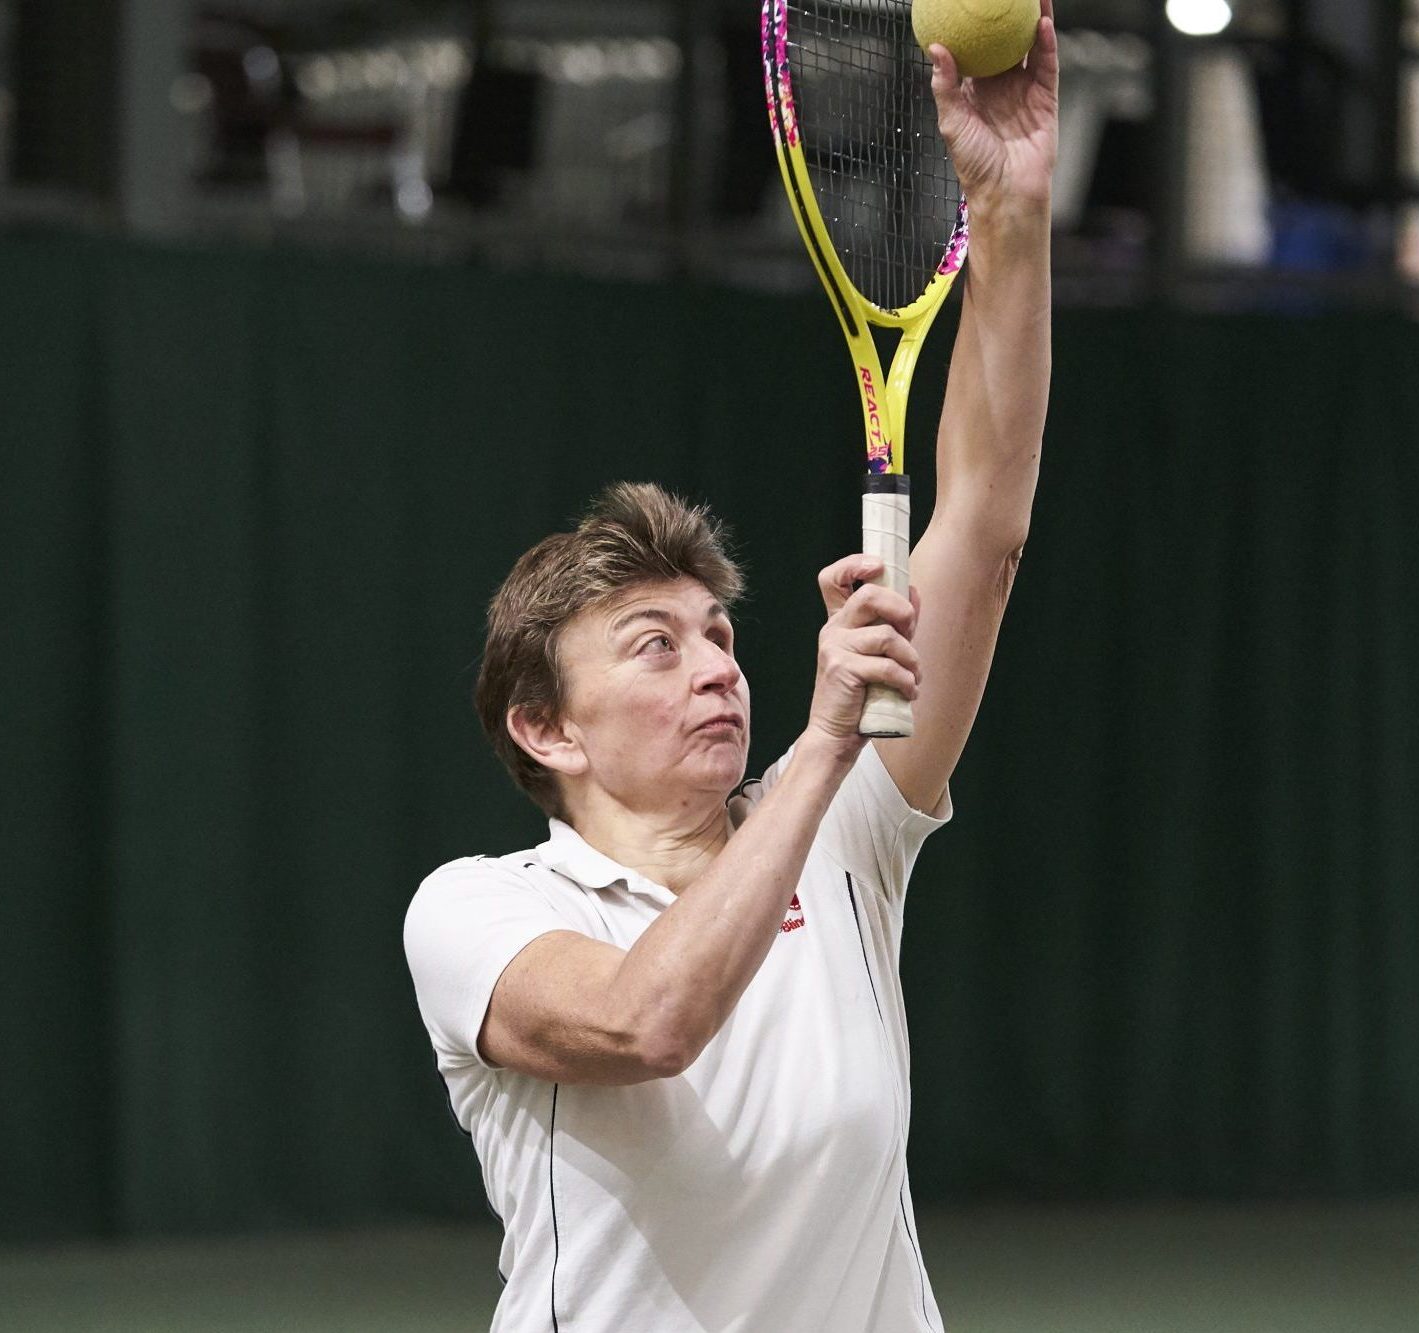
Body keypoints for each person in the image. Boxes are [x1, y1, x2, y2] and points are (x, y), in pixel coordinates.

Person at [402, 14, 1059, 1330]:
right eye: (655, 646)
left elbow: (983, 521)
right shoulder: (476, 913)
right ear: (548, 729)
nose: (714, 666)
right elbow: (648, 1023)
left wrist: (1013, 213)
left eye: (718, 634)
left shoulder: (845, 841)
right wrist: (824, 745)